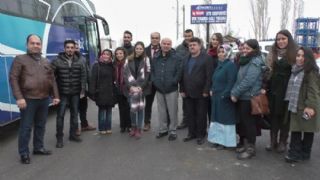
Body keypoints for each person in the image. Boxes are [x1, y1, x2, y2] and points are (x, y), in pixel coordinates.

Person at [9, 34, 60, 164]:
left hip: (44, 99)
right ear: (27, 45)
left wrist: (55, 96)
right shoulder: (20, 59)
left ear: (41, 45)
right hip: (28, 99)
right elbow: (13, 79)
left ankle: (38, 147)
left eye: (38, 43)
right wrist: (19, 98)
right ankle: (24, 153)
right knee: (26, 127)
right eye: (33, 43)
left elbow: (52, 79)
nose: (35, 46)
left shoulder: (45, 61)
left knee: (41, 125)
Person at [284, 47, 320, 163]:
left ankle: (297, 154)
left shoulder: (311, 72)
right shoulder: (296, 70)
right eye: (298, 55)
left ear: (308, 58)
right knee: (298, 129)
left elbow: (313, 90)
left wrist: (310, 106)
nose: (299, 58)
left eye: (303, 56)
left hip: (306, 106)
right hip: (296, 105)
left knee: (304, 130)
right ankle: (302, 153)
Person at [230, 39, 265, 159]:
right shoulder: (245, 60)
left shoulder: (255, 61)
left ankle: (251, 149)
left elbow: (248, 81)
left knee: (249, 124)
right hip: (243, 96)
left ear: (254, 50)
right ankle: (246, 145)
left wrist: (235, 92)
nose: (245, 50)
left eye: (248, 48)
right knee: (244, 123)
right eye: (244, 48)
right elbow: (239, 79)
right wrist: (235, 92)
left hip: (249, 97)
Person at [266, 30, 298, 153]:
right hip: (273, 89)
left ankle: (283, 142)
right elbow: (268, 71)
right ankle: (272, 141)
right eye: (278, 39)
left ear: (289, 39)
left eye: (283, 39)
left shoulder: (294, 53)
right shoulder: (272, 53)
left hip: (287, 90)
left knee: (285, 117)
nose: (280, 41)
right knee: (273, 116)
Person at [51, 39, 86, 148]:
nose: (70, 49)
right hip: (63, 93)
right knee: (60, 116)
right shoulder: (57, 61)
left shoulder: (80, 61)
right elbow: (51, 77)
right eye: (68, 47)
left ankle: (73, 135)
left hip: (75, 93)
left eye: (72, 47)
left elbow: (83, 76)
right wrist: (54, 94)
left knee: (74, 115)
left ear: (75, 48)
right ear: (64, 48)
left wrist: (82, 90)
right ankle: (59, 138)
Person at [180, 37, 213, 145]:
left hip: (201, 93)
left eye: (194, 45)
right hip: (188, 92)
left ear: (199, 46)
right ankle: (191, 133)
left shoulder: (207, 58)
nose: (192, 47)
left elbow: (209, 76)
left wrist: (206, 90)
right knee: (190, 114)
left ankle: (201, 135)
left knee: (201, 115)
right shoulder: (185, 58)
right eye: (190, 45)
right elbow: (182, 76)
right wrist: (182, 89)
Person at [152, 38, 182, 141]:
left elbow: (179, 72)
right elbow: (153, 71)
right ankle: (163, 130)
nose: (166, 45)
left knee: (172, 111)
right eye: (164, 43)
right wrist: (155, 82)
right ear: (161, 44)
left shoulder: (176, 57)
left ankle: (173, 131)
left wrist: (174, 82)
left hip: (171, 89)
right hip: (159, 88)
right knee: (161, 111)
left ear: (171, 45)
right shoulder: (156, 57)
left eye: (168, 44)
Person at [207, 45, 237, 149]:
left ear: (228, 53)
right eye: (219, 52)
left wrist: (225, 94)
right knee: (216, 119)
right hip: (216, 97)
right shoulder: (220, 65)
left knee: (225, 120)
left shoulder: (230, 65)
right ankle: (217, 140)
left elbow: (231, 82)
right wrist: (211, 89)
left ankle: (225, 142)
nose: (220, 54)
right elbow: (214, 79)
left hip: (224, 97)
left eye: (223, 52)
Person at [124, 41, 151, 139]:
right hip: (130, 89)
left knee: (140, 110)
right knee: (132, 110)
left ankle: (139, 129)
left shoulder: (146, 59)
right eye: (137, 48)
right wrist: (130, 87)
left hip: (141, 89)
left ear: (143, 49)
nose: (138, 50)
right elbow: (125, 74)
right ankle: (133, 127)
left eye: (140, 48)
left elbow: (148, 74)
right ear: (134, 49)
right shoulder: (128, 59)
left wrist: (141, 87)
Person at [90, 49, 116, 134]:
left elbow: (114, 80)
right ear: (101, 55)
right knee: (102, 111)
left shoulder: (112, 66)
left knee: (109, 111)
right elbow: (93, 80)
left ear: (110, 56)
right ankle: (101, 128)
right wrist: (92, 93)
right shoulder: (96, 66)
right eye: (104, 54)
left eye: (108, 54)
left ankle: (108, 127)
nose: (106, 56)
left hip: (110, 92)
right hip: (100, 92)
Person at [75, 43, 96, 136]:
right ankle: (75, 128)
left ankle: (84, 125)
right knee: (74, 110)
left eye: (77, 47)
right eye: (73, 47)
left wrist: (91, 87)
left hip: (82, 89)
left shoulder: (83, 59)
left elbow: (88, 73)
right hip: (73, 90)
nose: (75, 49)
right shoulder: (68, 60)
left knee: (83, 108)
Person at [176, 29, 194, 129]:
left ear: (192, 35)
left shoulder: (199, 47)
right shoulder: (179, 49)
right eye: (186, 36)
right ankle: (185, 120)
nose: (187, 38)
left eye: (189, 36)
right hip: (184, 79)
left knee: (196, 102)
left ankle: (194, 121)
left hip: (196, 79)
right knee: (185, 101)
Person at [143, 32, 161, 131]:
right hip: (149, 82)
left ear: (159, 39)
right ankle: (146, 123)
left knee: (163, 103)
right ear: (150, 38)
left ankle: (166, 123)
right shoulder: (145, 50)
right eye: (153, 38)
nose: (154, 39)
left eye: (156, 38)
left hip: (160, 81)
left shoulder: (164, 49)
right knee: (148, 103)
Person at [206, 32, 224, 122]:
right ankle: (212, 129)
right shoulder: (208, 52)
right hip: (209, 84)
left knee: (219, 109)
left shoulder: (223, 53)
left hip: (219, 85)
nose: (214, 41)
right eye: (213, 39)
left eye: (217, 39)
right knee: (210, 109)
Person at [114, 47, 132, 133]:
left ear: (124, 54)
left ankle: (129, 125)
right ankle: (122, 125)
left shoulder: (128, 63)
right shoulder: (115, 64)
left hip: (127, 89)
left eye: (120, 53)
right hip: (118, 89)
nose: (118, 55)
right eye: (117, 54)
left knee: (128, 108)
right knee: (121, 108)